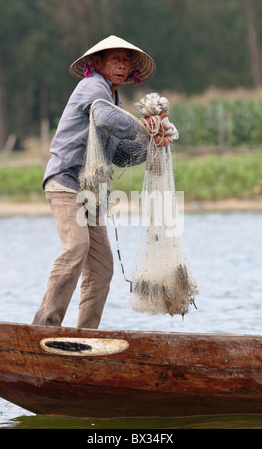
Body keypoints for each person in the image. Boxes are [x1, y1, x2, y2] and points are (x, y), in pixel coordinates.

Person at [32, 35, 169, 329]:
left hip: (90, 195)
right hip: (66, 183)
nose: (121, 65)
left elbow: (119, 153)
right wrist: (144, 129)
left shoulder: (111, 96)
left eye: (125, 61)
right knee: (76, 249)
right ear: (98, 63)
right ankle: (43, 327)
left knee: (102, 268)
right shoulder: (93, 87)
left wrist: (154, 145)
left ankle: (86, 335)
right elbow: (105, 118)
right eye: (115, 59)